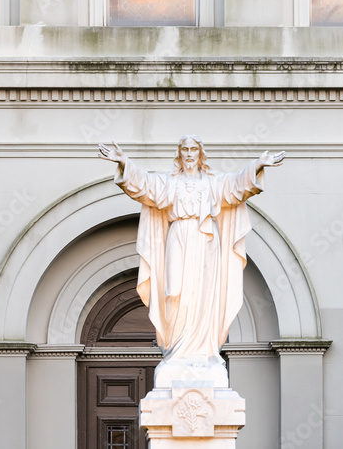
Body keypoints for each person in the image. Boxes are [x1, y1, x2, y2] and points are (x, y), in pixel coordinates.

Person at [98, 136, 284, 387]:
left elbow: (237, 187)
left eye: (193, 149)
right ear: (179, 154)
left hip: (206, 240)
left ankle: (202, 352)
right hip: (178, 235)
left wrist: (257, 166)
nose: (188, 154)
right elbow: (145, 186)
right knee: (174, 292)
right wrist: (124, 162)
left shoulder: (212, 183)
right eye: (184, 149)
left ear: (200, 154)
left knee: (203, 294)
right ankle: (177, 351)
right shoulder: (170, 183)